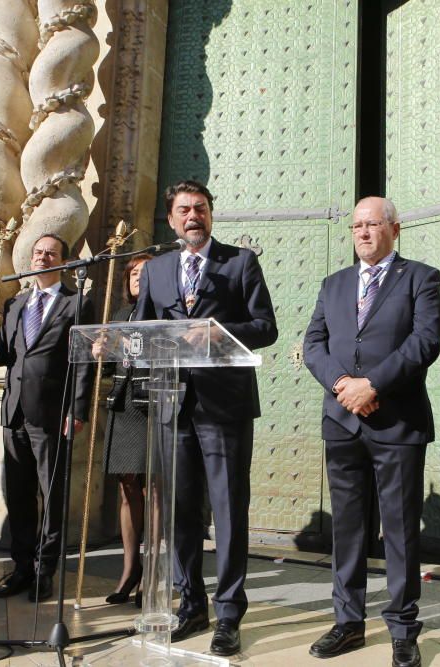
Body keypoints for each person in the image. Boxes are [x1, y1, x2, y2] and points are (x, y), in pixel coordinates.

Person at [135, 180, 277, 657]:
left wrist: (215, 332)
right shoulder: (155, 270)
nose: (192, 216)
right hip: (172, 404)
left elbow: (265, 327)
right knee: (180, 511)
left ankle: (230, 613)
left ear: (211, 215)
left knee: (229, 511)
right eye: (183, 210)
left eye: (200, 208)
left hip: (225, 408)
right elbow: (141, 331)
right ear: (172, 220)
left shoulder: (239, 262)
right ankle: (190, 604)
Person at [303, 196, 440, 667]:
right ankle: (348, 622)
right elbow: (313, 343)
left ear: (394, 229)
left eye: (373, 224)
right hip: (341, 422)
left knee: (400, 530)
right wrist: (343, 385)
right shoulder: (333, 284)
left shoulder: (421, 278)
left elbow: (424, 342)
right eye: (357, 226)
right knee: (347, 529)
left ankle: (403, 627)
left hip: (396, 422)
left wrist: (373, 384)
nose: (363, 232)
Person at [0, 233, 93, 602]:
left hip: (51, 413)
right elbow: (11, 357)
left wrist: (77, 408)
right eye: (38, 252)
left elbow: (83, 362)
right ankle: (22, 566)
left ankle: (46, 568)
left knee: (51, 493)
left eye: (51, 253)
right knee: (20, 494)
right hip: (13, 413)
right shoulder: (15, 304)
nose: (43, 258)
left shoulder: (77, 304)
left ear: (64, 260)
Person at [101, 254, 151, 606]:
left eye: (145, 272)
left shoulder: (167, 314)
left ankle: (156, 572)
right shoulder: (120, 316)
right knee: (127, 489)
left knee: (155, 492)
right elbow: (109, 366)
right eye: (132, 272)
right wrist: (100, 350)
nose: (137, 277)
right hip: (124, 405)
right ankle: (130, 570)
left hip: (154, 406)